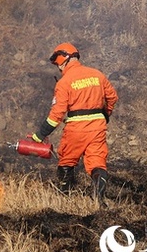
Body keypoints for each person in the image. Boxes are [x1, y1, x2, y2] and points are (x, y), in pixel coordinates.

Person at [31, 42, 118, 207]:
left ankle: (65, 196)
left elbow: (56, 115)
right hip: (97, 127)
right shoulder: (97, 75)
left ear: (64, 59)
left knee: (66, 160)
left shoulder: (64, 83)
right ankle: (99, 198)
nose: (59, 68)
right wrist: (106, 115)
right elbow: (112, 97)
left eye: (58, 64)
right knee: (97, 162)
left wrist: (40, 135)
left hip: (76, 128)